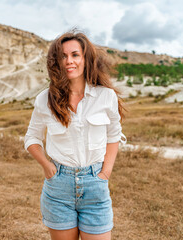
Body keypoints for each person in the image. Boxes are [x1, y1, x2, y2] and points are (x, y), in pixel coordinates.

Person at [24, 31, 126, 240]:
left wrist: (105, 172)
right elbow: (31, 138)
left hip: (95, 186)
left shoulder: (106, 96)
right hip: (58, 188)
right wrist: (47, 166)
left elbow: (114, 135)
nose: (69, 61)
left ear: (85, 59)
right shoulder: (45, 99)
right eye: (62, 56)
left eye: (75, 55)